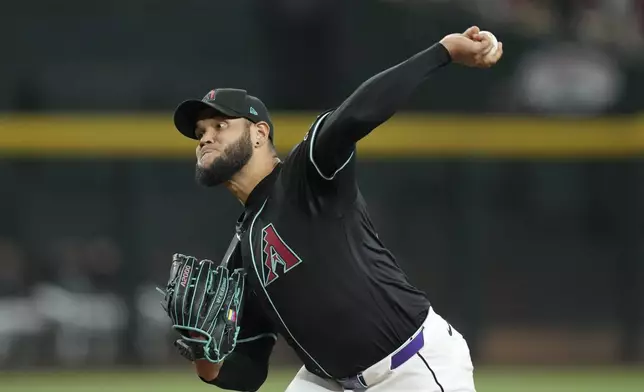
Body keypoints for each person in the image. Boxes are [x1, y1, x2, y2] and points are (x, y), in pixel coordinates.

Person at [171, 26, 503, 392]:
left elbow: (357, 114)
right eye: (200, 131)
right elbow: (250, 368)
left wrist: (444, 51)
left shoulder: (305, 174)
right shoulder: (242, 250)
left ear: (259, 133)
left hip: (410, 366)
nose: (206, 136)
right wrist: (205, 358)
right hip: (329, 380)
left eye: (220, 124)